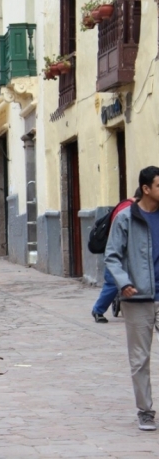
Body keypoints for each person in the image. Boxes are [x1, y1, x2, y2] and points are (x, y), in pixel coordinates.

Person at [105, 166, 159, 431]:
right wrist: (124, 283)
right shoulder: (126, 218)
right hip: (138, 298)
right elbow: (112, 255)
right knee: (140, 359)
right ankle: (145, 411)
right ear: (146, 189)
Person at [92, 187, 140, 323]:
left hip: (128, 252)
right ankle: (98, 310)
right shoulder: (126, 209)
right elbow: (118, 234)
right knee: (113, 282)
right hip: (117, 251)